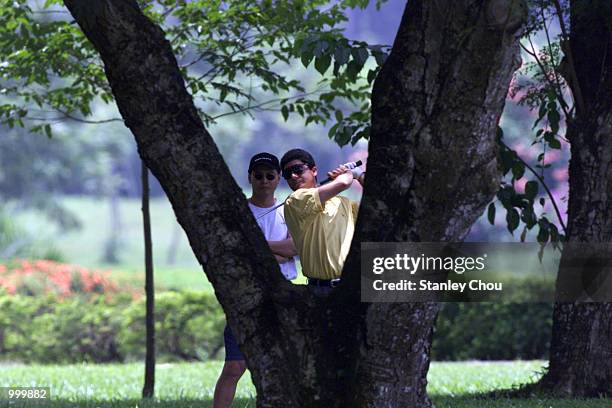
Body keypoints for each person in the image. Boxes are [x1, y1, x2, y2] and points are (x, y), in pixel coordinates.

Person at [212, 152, 297, 408]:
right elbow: (236, 252)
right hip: (245, 295)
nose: (264, 180)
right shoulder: (240, 212)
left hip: (283, 294)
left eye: (269, 176)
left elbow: (292, 250)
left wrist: (256, 245)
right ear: (250, 177)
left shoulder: (289, 211)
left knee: (285, 367)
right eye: (258, 175)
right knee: (235, 367)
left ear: (278, 178)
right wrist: (274, 250)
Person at [281, 148, 364, 296]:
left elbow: (381, 200)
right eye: (288, 174)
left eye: (298, 170)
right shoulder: (294, 200)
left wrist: (359, 175)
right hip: (320, 289)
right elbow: (344, 183)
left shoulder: (344, 203)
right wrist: (350, 173)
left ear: (314, 171)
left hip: (352, 286)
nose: (293, 176)